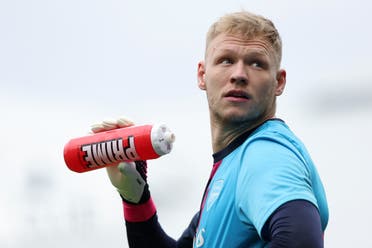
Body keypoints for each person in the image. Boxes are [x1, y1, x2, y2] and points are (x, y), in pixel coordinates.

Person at [91, 11, 329, 247]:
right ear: (202, 75)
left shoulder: (265, 155)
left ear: (279, 82)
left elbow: (302, 243)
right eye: (226, 60)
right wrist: (135, 197)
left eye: (256, 63)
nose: (239, 75)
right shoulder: (232, 166)